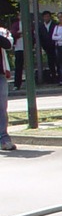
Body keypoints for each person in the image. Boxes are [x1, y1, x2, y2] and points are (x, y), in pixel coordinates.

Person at [0, 21, 14, 151]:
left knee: (1, 107)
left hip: (0, 74)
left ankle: (4, 138)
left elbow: (9, 44)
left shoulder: (2, 31)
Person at [37, 10, 59, 85]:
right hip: (47, 47)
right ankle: (53, 77)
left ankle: (59, 77)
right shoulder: (41, 26)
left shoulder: (55, 25)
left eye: (48, 16)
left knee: (57, 62)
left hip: (55, 46)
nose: (46, 18)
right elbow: (40, 37)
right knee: (50, 63)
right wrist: (43, 46)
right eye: (45, 17)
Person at [10, 16, 24, 91]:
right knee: (18, 67)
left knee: (29, 67)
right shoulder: (15, 24)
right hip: (18, 48)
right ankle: (17, 84)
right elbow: (13, 34)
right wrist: (19, 34)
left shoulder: (28, 23)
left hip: (27, 48)